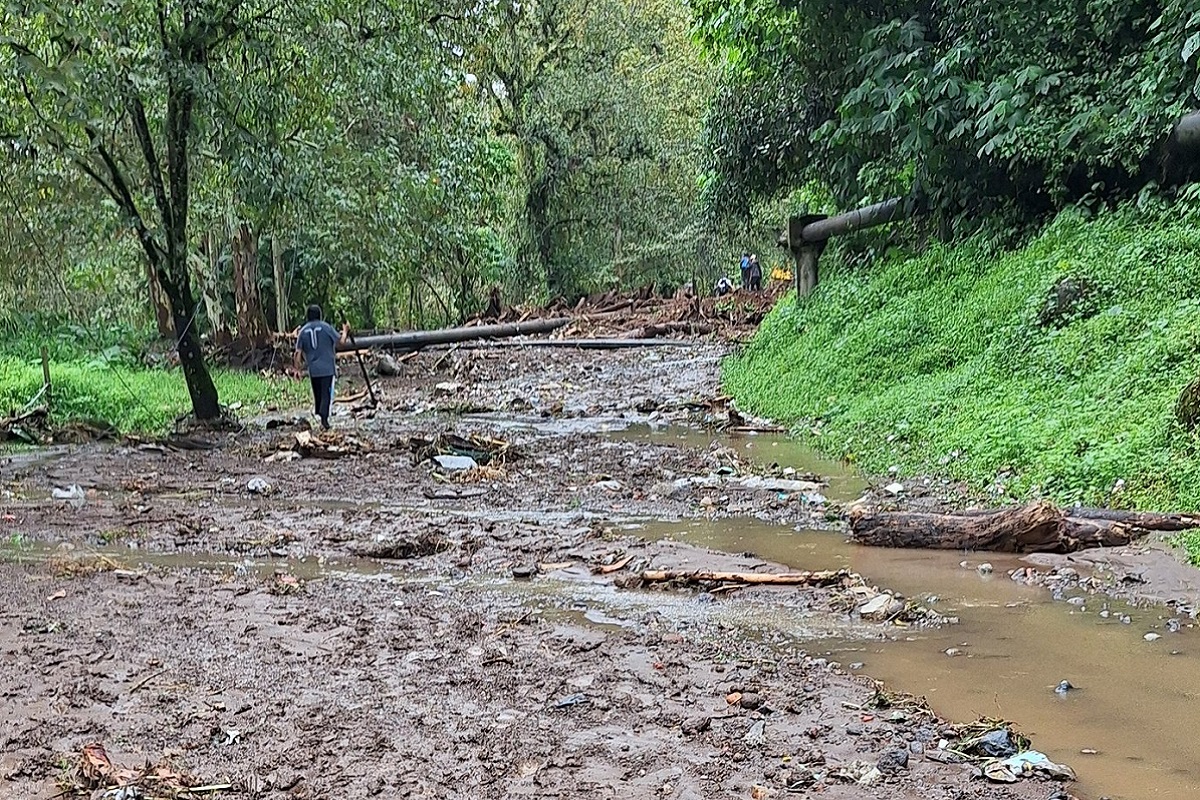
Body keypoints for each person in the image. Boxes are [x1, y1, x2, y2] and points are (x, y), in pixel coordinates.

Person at [293, 304, 349, 430]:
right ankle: (324, 418)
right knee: (326, 394)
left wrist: (297, 369)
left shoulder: (303, 331)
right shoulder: (326, 327)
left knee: (317, 393)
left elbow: (298, 352)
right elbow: (341, 343)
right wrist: (345, 332)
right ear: (320, 315)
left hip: (313, 369)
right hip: (327, 368)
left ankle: (320, 414)